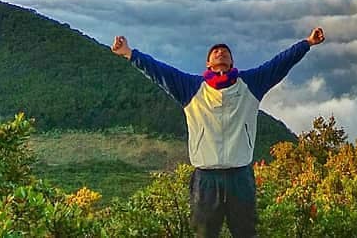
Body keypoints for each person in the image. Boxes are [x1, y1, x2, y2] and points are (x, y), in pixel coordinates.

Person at [112, 27, 324, 238]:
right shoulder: (191, 88)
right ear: (208, 63)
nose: (220, 52)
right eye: (215, 52)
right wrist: (129, 53)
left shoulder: (250, 84)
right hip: (206, 178)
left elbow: (279, 64)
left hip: (240, 177)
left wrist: (307, 43)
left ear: (232, 62)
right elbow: (159, 71)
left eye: (225, 51)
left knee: (246, 233)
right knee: (204, 234)